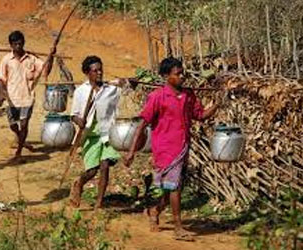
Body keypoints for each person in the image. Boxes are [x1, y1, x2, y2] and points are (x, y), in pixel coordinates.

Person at [124, 57, 220, 240]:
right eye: (178, 74)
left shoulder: (188, 95)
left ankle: (155, 211)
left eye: (182, 73)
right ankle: (178, 228)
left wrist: (217, 104)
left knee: (171, 190)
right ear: (166, 76)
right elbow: (141, 125)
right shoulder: (157, 97)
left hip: (183, 147)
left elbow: (200, 115)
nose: (182, 76)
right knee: (174, 187)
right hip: (165, 150)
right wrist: (131, 152)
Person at [69, 55, 135, 209]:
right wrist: (79, 121)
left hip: (107, 134)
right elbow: (73, 114)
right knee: (91, 171)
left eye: (100, 70)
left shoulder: (111, 89)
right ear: (87, 73)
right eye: (95, 71)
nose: (99, 73)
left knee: (105, 166)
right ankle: (79, 183)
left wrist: (130, 81)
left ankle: (99, 202)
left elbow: (129, 86)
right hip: (90, 136)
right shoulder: (81, 91)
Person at [0, 30, 55, 162]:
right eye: (15, 44)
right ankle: (22, 139)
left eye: (20, 43)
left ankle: (19, 151)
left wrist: (51, 56)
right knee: (13, 125)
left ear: (23, 43)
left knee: (24, 125)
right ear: (11, 45)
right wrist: (2, 92)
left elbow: (46, 69)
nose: (18, 46)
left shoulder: (32, 59)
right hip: (11, 99)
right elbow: (1, 78)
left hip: (27, 98)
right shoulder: (6, 60)